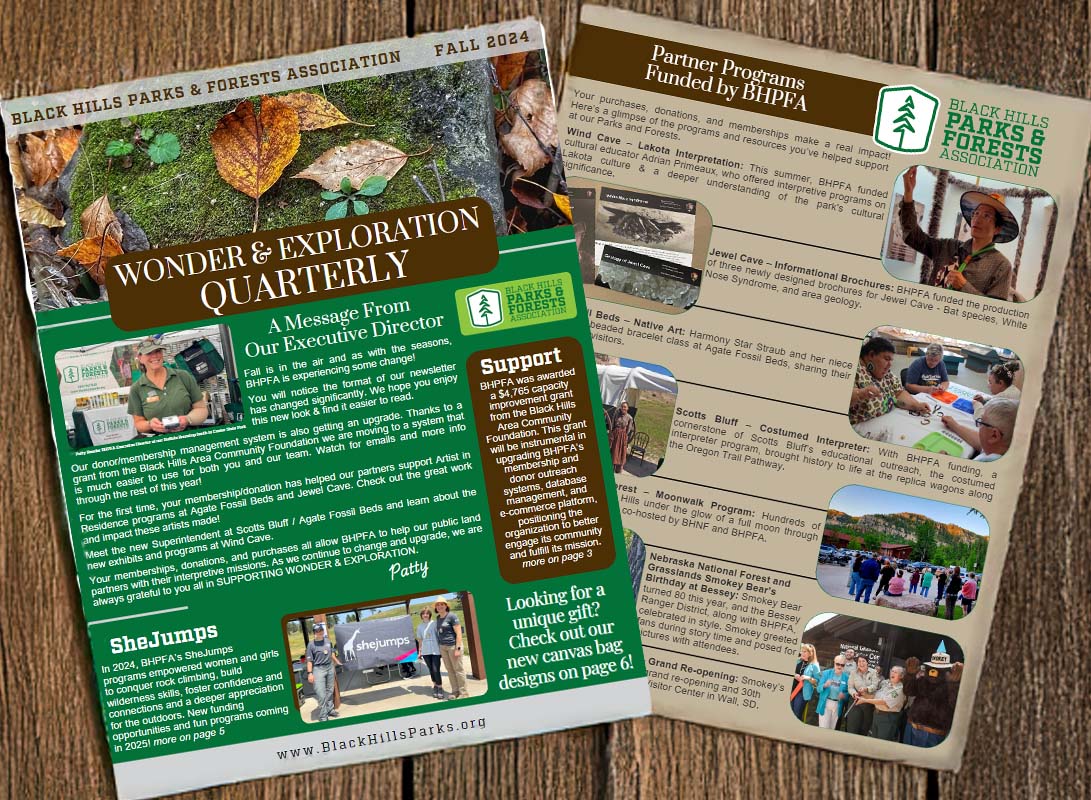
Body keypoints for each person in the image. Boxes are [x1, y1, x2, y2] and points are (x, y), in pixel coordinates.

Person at [898, 166, 1018, 300]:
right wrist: (908, 194)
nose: (977, 218)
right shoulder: (947, 246)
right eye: (976, 213)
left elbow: (994, 312)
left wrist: (964, 286)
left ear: (997, 228)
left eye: (986, 216)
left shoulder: (1001, 265)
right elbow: (913, 237)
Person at [127, 338, 208, 434]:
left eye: (158, 351)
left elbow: (201, 409)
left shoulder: (183, 376)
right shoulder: (137, 388)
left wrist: (187, 419)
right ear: (140, 358)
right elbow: (139, 423)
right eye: (149, 353)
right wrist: (150, 424)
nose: (155, 356)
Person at [850, 337, 930, 425]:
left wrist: (916, 405)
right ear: (871, 355)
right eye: (886, 359)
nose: (890, 365)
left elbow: (899, 393)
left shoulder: (886, 373)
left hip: (885, 421)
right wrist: (860, 394)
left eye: (891, 360)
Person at [903, 643, 963, 747]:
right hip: (911, 726)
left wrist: (955, 684)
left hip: (933, 734)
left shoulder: (950, 686)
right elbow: (909, 691)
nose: (934, 671)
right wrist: (910, 675)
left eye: (940, 668)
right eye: (932, 667)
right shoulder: (923, 681)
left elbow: (956, 704)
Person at [942, 397, 1018, 462]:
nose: (979, 425)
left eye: (981, 422)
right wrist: (955, 425)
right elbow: (982, 442)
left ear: (994, 435)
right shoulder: (1003, 448)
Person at [305, 621, 342, 722]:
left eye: (321, 630)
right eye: (317, 631)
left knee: (330, 690)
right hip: (318, 669)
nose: (319, 632)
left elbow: (331, 654)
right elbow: (309, 661)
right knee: (321, 694)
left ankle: (330, 710)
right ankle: (323, 715)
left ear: (323, 630)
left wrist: (337, 662)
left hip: (329, 667)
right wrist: (310, 673)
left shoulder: (328, 641)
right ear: (314, 632)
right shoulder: (311, 645)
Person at [858, 666, 907, 741]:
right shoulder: (885, 683)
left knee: (882, 742)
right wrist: (864, 694)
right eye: (892, 671)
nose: (892, 673)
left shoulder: (900, 690)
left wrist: (865, 700)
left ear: (901, 676)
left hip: (888, 718)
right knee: (873, 740)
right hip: (877, 714)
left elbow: (883, 702)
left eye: (895, 672)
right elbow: (875, 697)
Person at [434, 597, 468, 700]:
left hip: (453, 646)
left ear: (446, 606)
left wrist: (457, 648)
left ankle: (464, 693)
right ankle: (455, 691)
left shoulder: (452, 616)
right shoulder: (438, 618)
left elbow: (458, 633)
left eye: (442, 604)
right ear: (436, 607)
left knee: (458, 670)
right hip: (443, 647)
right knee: (450, 670)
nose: (440, 606)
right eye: (438, 605)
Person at [844, 655, 879, 735]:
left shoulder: (873, 672)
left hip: (867, 701)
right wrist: (854, 693)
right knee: (852, 726)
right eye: (859, 661)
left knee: (864, 727)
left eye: (863, 661)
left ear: (867, 663)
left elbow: (875, 685)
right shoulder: (853, 673)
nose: (861, 663)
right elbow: (850, 687)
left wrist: (866, 689)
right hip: (856, 700)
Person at [416, 608, 444, 700]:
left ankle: (440, 688)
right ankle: (435, 685)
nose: (425, 615)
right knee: (431, 669)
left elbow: (440, 636)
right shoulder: (419, 627)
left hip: (435, 651)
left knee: (436, 669)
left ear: (429, 615)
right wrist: (420, 651)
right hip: (425, 652)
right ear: (421, 615)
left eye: (427, 613)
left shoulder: (434, 624)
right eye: (423, 613)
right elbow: (420, 640)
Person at [816, 655, 849, 729]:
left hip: (838, 705)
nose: (839, 666)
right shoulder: (826, 673)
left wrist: (844, 695)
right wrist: (825, 685)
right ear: (834, 663)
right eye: (837, 664)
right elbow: (818, 689)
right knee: (823, 728)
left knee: (832, 728)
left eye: (842, 665)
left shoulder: (846, 677)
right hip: (826, 703)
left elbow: (848, 695)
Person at [798, 644, 822, 725]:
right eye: (802, 651)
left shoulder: (814, 665)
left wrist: (808, 678)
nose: (802, 653)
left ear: (810, 653)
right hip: (791, 690)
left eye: (805, 651)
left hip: (802, 693)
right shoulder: (798, 661)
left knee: (796, 714)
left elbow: (817, 682)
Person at [608, 402, 634, 474]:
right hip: (615, 434)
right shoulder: (616, 414)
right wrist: (611, 433)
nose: (623, 408)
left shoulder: (629, 418)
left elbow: (629, 429)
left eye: (625, 407)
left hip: (623, 436)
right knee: (613, 450)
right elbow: (613, 424)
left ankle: (618, 469)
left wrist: (624, 436)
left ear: (627, 408)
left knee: (620, 452)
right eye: (622, 407)